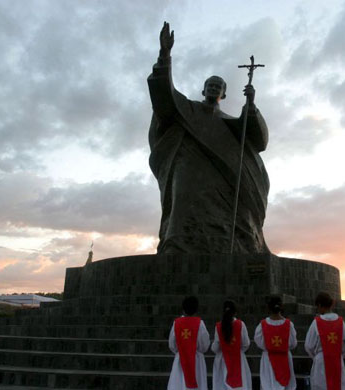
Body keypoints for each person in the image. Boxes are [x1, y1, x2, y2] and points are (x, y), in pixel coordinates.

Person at [148, 21, 270, 254]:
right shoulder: (188, 109)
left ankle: (233, 246)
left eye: (218, 86)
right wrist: (165, 53)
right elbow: (165, 95)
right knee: (183, 205)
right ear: (203, 90)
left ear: (224, 93)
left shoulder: (231, 123)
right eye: (210, 85)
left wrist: (251, 105)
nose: (214, 88)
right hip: (189, 171)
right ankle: (177, 246)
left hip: (223, 181)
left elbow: (259, 142)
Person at [304, 292, 345, 390]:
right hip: (337, 359)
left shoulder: (316, 322)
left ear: (320, 305)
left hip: (321, 361)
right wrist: (338, 354)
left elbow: (309, 345)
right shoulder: (340, 321)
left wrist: (317, 357)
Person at [254, 296, 297, 390]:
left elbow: (259, 342)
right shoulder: (289, 325)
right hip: (285, 358)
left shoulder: (262, 325)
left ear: (268, 308)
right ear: (281, 307)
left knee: (269, 385)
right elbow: (293, 343)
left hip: (268, 359)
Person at [168, 296, 210, 390]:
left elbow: (172, 344)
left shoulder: (177, 323)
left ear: (183, 309)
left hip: (181, 359)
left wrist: (181, 351)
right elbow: (204, 345)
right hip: (197, 361)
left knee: (179, 384)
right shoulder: (200, 323)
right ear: (196, 310)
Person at [211, 300, 252, 390]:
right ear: (235, 312)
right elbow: (246, 343)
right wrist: (237, 350)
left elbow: (216, 347)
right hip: (238, 358)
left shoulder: (218, 326)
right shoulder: (241, 325)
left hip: (222, 360)